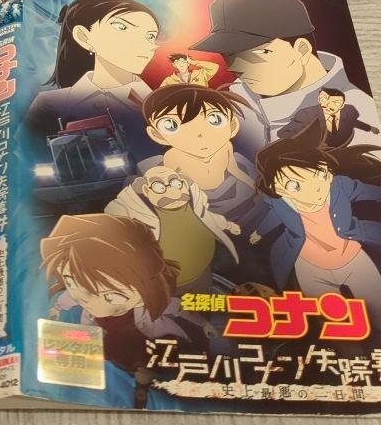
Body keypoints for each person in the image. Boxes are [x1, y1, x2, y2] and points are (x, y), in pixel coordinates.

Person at [190, 0, 381, 164]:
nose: (236, 67)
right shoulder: (234, 99)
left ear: (302, 49)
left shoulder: (359, 116)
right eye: (229, 55)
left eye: (258, 53)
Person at [251, 118, 381, 336]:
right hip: (310, 268)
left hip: (353, 259)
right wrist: (258, 232)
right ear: (278, 188)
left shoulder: (339, 186)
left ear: (327, 170)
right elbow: (273, 218)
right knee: (333, 328)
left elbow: (376, 193)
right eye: (295, 185)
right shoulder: (279, 203)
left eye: (320, 175)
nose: (315, 188)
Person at [41, 213, 196, 409]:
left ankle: (142, 389)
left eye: (111, 296)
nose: (89, 300)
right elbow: (71, 298)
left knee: (146, 370)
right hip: (115, 344)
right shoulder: (85, 301)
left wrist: (204, 324)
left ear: (147, 289)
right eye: (72, 282)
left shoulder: (150, 308)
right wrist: (56, 308)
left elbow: (179, 308)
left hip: (147, 342)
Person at [25, 0, 160, 155]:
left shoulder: (161, 105)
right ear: (84, 36)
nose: (145, 44)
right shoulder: (49, 104)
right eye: (122, 27)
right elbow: (26, 156)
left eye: (150, 36)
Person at [141, 82, 263, 232]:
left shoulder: (226, 147)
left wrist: (255, 188)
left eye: (215, 120)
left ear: (232, 126)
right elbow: (174, 186)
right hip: (198, 199)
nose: (199, 134)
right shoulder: (173, 156)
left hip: (231, 193)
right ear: (157, 135)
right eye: (171, 125)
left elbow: (234, 169)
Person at [105, 164, 240, 293]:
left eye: (176, 183)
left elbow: (208, 217)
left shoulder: (194, 203)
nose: (172, 191)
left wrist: (227, 225)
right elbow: (115, 220)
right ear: (146, 190)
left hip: (201, 277)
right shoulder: (139, 213)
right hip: (163, 286)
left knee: (202, 307)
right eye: (159, 187)